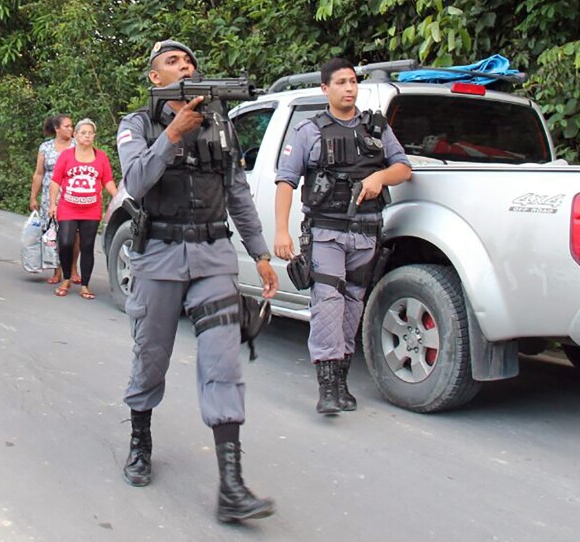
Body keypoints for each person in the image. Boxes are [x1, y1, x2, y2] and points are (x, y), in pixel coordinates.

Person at [116, 40, 278, 523]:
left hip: (213, 257)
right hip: (158, 256)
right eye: (172, 62)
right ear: (154, 78)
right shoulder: (137, 124)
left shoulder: (221, 125)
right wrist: (172, 137)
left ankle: (231, 486)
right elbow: (135, 182)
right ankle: (140, 440)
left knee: (223, 364)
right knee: (151, 356)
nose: (184, 66)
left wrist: (261, 254)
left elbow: (238, 194)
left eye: (188, 61)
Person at [273, 57, 412, 414]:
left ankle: (342, 381)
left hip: (366, 232)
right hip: (327, 232)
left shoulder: (376, 128)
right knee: (328, 305)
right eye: (341, 83)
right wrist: (281, 231)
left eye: (353, 81)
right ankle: (327, 389)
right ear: (325, 89)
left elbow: (402, 167)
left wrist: (380, 178)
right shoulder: (309, 130)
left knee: (353, 307)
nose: (349, 88)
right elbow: (286, 181)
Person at [48, 118, 117, 300]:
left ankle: (85, 285)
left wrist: (117, 199)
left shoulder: (101, 156)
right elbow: (55, 181)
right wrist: (52, 204)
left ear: (94, 136)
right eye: (83, 133)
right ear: (75, 135)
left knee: (87, 246)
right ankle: (66, 278)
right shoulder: (66, 156)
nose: (87, 136)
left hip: (91, 209)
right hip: (68, 207)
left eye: (90, 133)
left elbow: (107, 180)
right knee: (65, 243)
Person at [29, 115, 80, 284]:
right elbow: (39, 173)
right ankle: (56, 270)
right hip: (49, 197)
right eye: (67, 126)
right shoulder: (46, 148)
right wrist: (33, 197)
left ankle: (73, 268)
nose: (70, 129)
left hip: (72, 194)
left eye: (71, 126)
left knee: (74, 234)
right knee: (53, 234)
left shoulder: (77, 146)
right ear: (57, 129)